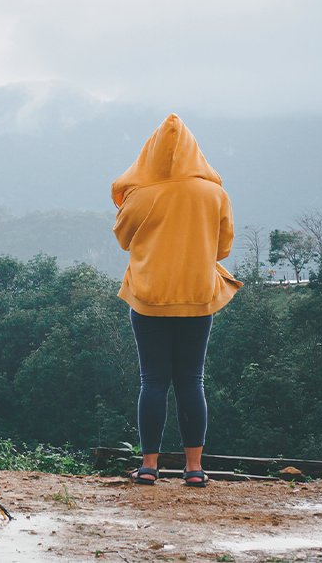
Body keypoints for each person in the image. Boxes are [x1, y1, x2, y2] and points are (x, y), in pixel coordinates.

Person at [111, 114, 242, 487]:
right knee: (191, 380)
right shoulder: (214, 194)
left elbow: (123, 238)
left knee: (152, 380)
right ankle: (194, 469)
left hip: (149, 298)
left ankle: (148, 466)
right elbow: (223, 248)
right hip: (197, 297)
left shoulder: (141, 194)